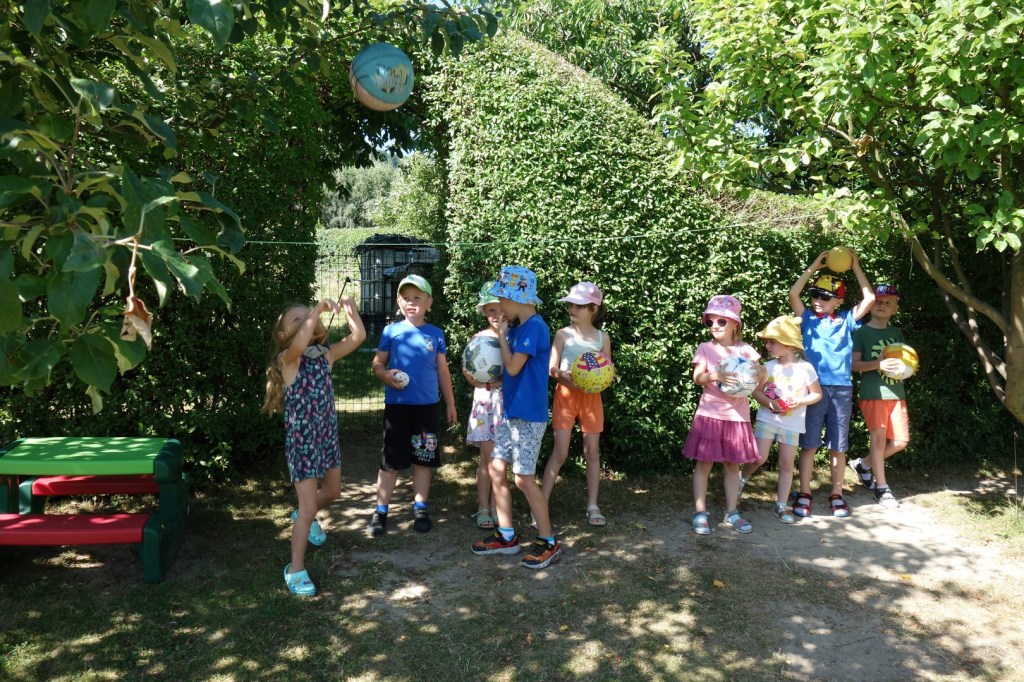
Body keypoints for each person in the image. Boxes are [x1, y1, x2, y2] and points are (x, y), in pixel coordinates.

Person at [263, 296, 366, 596]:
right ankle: (295, 569)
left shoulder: (325, 355)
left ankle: (301, 516)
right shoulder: (288, 360)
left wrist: (351, 311)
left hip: (326, 437)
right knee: (309, 508)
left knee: (333, 492)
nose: (307, 320)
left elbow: (358, 337)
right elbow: (298, 346)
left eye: (308, 317)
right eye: (298, 319)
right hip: (303, 445)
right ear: (282, 334)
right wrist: (318, 309)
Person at [471, 265, 561, 569]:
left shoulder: (535, 327)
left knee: (523, 478)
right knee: (497, 468)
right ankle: (507, 535)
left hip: (529, 417)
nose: (500, 307)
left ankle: (548, 541)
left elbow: (512, 367)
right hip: (512, 413)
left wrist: (501, 335)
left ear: (516, 298)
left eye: (502, 301)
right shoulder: (519, 327)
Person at [369, 275, 457, 537]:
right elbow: (377, 363)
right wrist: (384, 374)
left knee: (423, 459)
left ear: (429, 302)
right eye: (406, 298)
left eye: (417, 298)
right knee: (390, 461)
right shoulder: (391, 331)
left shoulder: (436, 334)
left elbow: (443, 371)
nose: (411, 302)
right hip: (397, 408)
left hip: (427, 407)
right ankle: (380, 511)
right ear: (398, 302)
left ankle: (420, 508)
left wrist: (450, 403)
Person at [789, 251, 874, 518]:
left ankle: (837, 494)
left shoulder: (847, 320)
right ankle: (805, 493)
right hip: (813, 390)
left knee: (838, 446)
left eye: (825, 297)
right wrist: (814, 266)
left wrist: (856, 266)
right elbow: (793, 294)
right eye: (815, 295)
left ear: (838, 300)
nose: (817, 300)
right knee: (809, 444)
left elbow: (870, 299)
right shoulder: (807, 319)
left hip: (841, 390)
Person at [682, 295, 761, 535]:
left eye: (721, 321)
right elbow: (697, 378)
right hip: (710, 414)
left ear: (735, 323)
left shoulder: (745, 350)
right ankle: (700, 512)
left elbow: (761, 373)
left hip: (737, 417)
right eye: (710, 321)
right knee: (704, 464)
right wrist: (715, 375)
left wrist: (762, 373)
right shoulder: (705, 348)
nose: (715, 325)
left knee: (732, 466)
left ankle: (732, 513)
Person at [541, 281, 613, 526]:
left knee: (592, 452)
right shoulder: (563, 334)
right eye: (571, 304)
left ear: (594, 308)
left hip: (592, 399)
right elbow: (551, 368)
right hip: (565, 396)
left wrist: (600, 379)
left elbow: (607, 370)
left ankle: (593, 505)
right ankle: (541, 504)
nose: (572, 309)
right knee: (560, 452)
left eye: (579, 305)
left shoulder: (602, 337)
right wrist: (563, 375)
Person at [739, 315, 822, 523]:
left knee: (786, 464)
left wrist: (800, 401)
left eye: (772, 342)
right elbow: (756, 391)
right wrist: (770, 404)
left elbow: (817, 394)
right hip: (767, 420)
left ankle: (782, 505)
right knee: (759, 457)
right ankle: (740, 480)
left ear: (787, 344)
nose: (767, 346)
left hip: (792, 424)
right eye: (767, 341)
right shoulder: (768, 367)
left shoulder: (806, 368)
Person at [850, 283, 910, 508]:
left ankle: (863, 465)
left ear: (895, 309)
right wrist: (878, 364)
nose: (882, 305)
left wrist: (908, 369)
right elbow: (854, 365)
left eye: (888, 302)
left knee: (901, 442)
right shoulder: (861, 332)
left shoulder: (896, 333)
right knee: (878, 441)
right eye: (878, 301)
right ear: (870, 305)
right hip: (873, 393)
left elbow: (906, 361)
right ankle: (882, 489)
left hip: (896, 393)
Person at [463, 283, 504, 530]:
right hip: (484, 403)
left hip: (505, 404)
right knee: (487, 456)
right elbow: (466, 368)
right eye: (490, 310)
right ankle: (483, 506)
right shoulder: (478, 339)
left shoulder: (512, 338)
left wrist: (500, 382)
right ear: (484, 311)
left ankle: (498, 505)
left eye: (500, 309)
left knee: (501, 458)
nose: (496, 315)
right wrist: (476, 381)